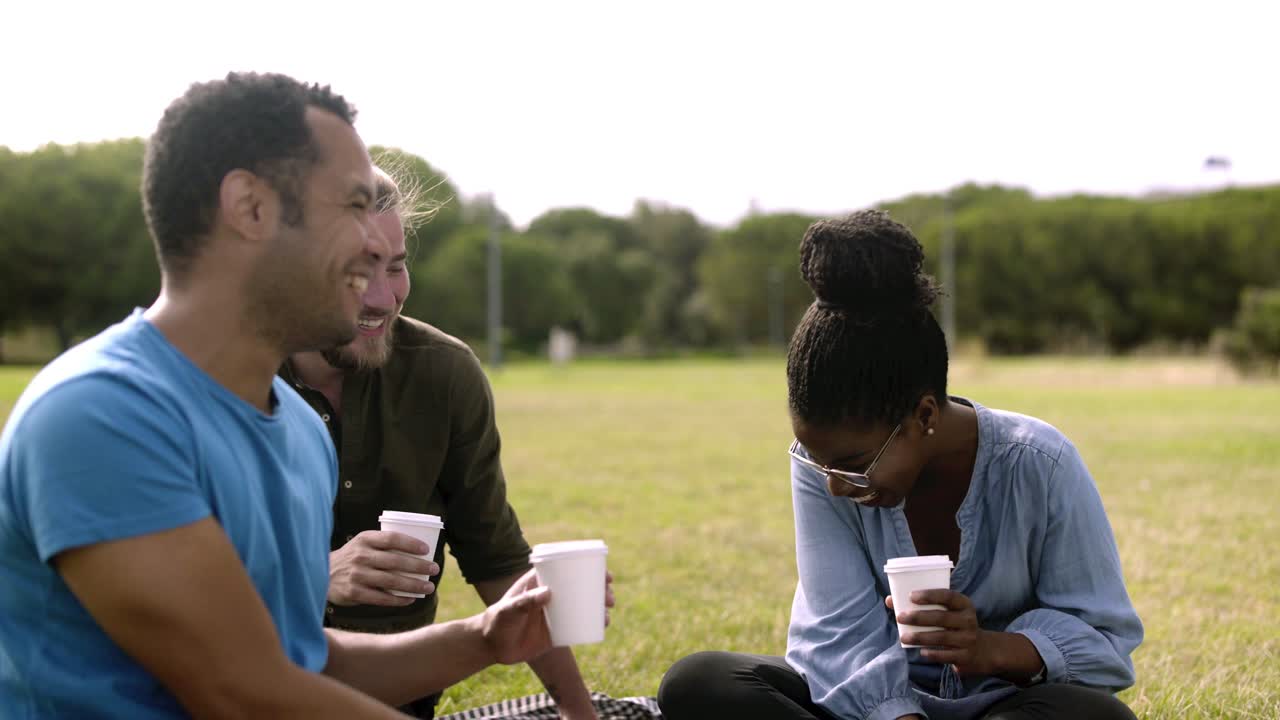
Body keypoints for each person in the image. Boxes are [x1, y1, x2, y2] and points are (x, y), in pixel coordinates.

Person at [0, 72, 610, 718]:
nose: (377, 244)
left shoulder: (295, 429)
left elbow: (302, 663)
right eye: (352, 206)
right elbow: (244, 690)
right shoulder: (101, 414)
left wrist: (483, 638)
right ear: (251, 208)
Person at [657, 210, 1143, 720]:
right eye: (821, 464)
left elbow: (1106, 642)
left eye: (852, 464)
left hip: (997, 704)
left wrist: (989, 648)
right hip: (864, 706)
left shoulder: (1040, 463)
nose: (835, 486)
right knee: (700, 683)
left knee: (1099, 717)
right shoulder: (823, 469)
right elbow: (839, 632)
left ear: (924, 415)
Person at [281, 167, 602, 719]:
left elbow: (494, 556)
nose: (383, 297)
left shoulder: (443, 372)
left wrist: (580, 713)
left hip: (399, 695)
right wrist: (317, 576)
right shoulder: (232, 384)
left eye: (397, 266)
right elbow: (182, 606)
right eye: (358, 271)